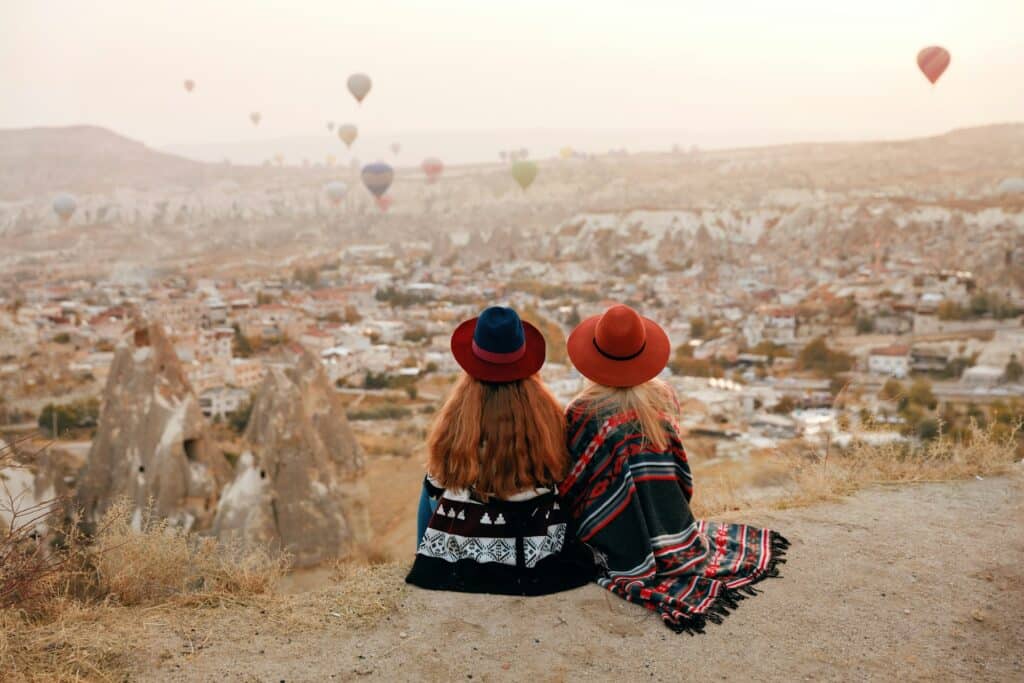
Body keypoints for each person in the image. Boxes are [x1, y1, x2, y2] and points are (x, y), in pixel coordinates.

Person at [558, 304, 788, 632]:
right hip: (674, 528)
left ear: (593, 355)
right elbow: (677, 472)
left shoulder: (581, 412)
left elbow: (572, 484)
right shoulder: (663, 398)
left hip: (609, 539)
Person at [405, 306, 596, 595]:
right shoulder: (547, 417)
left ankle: (426, 551)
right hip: (539, 551)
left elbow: (440, 482)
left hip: (467, 553)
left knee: (431, 482)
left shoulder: (458, 421)